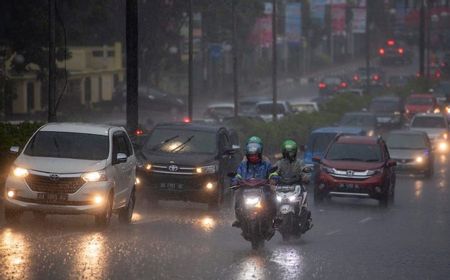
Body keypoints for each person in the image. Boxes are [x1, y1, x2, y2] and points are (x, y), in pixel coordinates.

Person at [232, 139, 277, 228]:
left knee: (273, 195)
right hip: (246, 188)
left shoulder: (266, 163)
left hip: (262, 188)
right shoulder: (243, 164)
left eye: (255, 155)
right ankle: (238, 218)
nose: (253, 157)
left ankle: (275, 217)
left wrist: (273, 179)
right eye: (251, 155)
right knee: (237, 195)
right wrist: (235, 181)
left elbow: (273, 173)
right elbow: (238, 174)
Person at [273, 139, 312, 231]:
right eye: (287, 152)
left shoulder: (299, 162)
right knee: (271, 202)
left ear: (294, 152)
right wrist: (271, 177)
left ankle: (303, 216)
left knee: (303, 198)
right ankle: (275, 218)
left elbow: (305, 172)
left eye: (291, 152)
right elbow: (273, 172)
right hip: (282, 187)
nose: (289, 154)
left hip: (296, 186)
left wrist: (305, 177)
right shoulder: (280, 163)